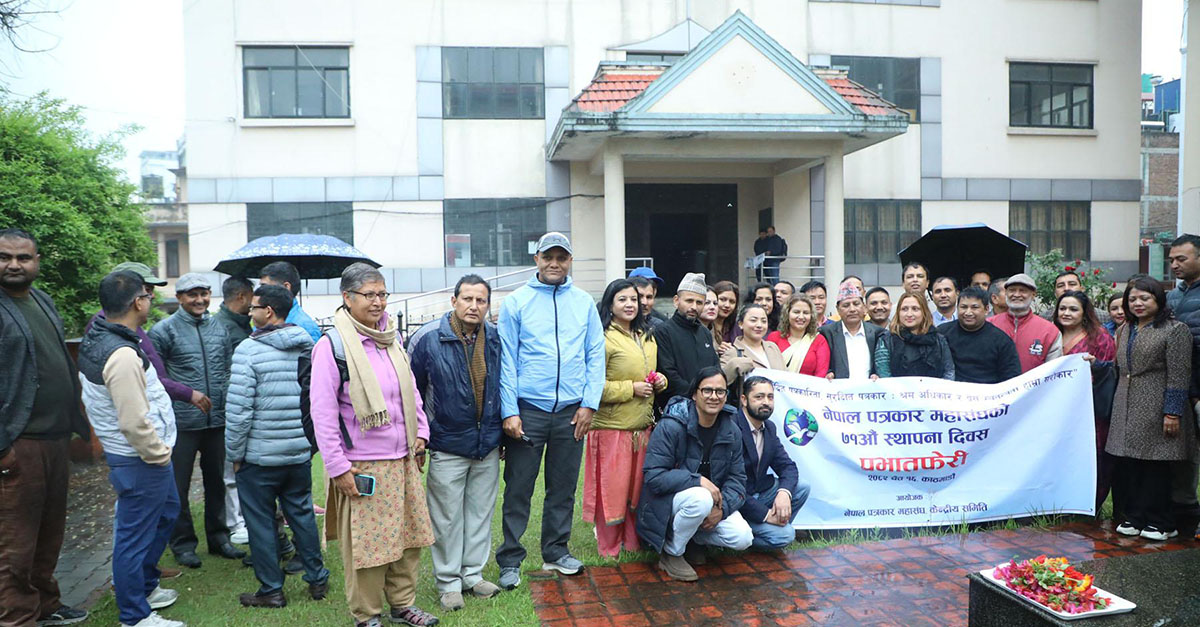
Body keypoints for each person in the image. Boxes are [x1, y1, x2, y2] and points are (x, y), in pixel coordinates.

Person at [309, 263, 438, 627]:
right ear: (347, 298)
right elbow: (322, 413)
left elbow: (410, 392)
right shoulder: (332, 346)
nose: (378, 302)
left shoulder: (391, 339)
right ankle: (367, 615)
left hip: (403, 458)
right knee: (368, 548)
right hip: (363, 465)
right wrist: (338, 468)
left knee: (408, 539)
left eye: (382, 294)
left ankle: (403, 604)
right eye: (369, 295)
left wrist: (421, 433)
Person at [496, 232, 605, 590]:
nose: (554, 263)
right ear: (537, 260)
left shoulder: (583, 302)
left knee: (563, 487)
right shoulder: (517, 302)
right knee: (518, 487)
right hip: (529, 410)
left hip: (572, 412)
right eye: (548, 257)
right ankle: (510, 559)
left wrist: (589, 403)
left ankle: (556, 550)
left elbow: (595, 355)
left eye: (561, 257)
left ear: (570, 261)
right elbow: (506, 360)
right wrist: (509, 410)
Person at [78, 271, 182, 627]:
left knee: (166, 513)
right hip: (140, 458)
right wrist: (158, 454)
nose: (150, 301)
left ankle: (145, 587)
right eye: (148, 296)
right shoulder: (120, 353)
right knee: (134, 536)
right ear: (138, 302)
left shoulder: (104, 335)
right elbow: (134, 422)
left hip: (142, 456)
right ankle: (135, 616)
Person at [0, 229, 91, 627]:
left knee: (49, 532)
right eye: (4, 257)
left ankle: (45, 605)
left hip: (55, 438)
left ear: (37, 261)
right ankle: (17, 617)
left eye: (23, 257)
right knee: (14, 541)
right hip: (18, 441)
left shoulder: (41, 299)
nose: (14, 265)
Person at [225, 284, 329, 609]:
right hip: (298, 452)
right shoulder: (307, 345)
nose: (249, 312)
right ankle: (317, 578)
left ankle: (271, 589)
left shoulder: (248, 350)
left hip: (259, 458)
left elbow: (239, 411)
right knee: (302, 514)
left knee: (260, 522)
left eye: (254, 307)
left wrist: (234, 455)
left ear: (268, 311)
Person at [407, 275, 503, 612]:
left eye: (481, 300)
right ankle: (448, 582)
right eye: (467, 299)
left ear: (488, 304)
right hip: (446, 443)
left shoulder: (495, 337)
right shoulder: (427, 338)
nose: (474, 306)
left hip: (487, 442)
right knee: (446, 518)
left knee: (479, 513)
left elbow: (502, 384)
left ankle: (472, 575)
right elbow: (411, 393)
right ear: (454, 301)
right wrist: (419, 436)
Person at [148, 273, 243, 568]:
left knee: (217, 483)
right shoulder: (162, 331)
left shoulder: (220, 328)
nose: (199, 300)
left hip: (217, 420)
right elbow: (156, 379)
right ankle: (183, 544)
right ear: (179, 298)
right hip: (181, 422)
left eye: (204, 293)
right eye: (192, 294)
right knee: (178, 486)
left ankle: (219, 538)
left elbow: (228, 368)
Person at [637, 368, 751, 582]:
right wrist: (697, 480)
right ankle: (672, 552)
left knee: (742, 537)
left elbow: (738, 480)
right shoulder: (671, 425)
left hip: (708, 505)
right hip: (667, 503)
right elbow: (654, 477)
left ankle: (693, 541)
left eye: (720, 391)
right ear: (694, 394)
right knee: (701, 498)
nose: (714, 396)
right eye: (707, 390)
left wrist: (722, 510)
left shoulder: (731, 430)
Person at [1106, 276, 1195, 541]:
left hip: (1157, 405)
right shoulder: (1125, 329)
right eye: (1132, 299)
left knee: (1156, 466)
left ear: (1158, 299)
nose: (1138, 303)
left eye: (1145, 298)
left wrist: (1172, 412)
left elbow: (1179, 375)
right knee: (1131, 464)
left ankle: (1162, 522)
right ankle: (1135, 516)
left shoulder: (1174, 330)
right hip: (1126, 404)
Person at [583, 279, 666, 558]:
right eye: (623, 299)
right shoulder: (602, 337)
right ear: (610, 304)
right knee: (612, 491)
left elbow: (651, 373)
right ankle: (608, 547)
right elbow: (592, 386)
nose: (630, 304)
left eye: (634, 299)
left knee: (635, 491)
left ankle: (632, 543)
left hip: (641, 428)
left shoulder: (646, 335)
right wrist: (631, 388)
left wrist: (660, 380)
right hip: (612, 428)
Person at [87, 262, 196, 406]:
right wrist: (187, 394)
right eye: (147, 290)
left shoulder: (129, 324)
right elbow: (131, 398)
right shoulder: (106, 325)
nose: (152, 296)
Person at [1054, 289, 1117, 515]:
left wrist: (1095, 367)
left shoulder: (1099, 337)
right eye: (1062, 308)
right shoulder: (1051, 334)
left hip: (1091, 411)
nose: (1066, 313)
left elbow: (1110, 370)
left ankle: (1091, 507)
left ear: (1084, 313)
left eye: (1073, 309)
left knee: (1094, 457)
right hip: (1058, 411)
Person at [736, 377, 808, 550]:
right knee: (786, 535)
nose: (766, 402)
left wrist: (784, 493)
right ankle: (744, 537)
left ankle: (772, 527)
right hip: (736, 501)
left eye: (770, 397)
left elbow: (787, 466)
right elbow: (731, 486)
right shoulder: (732, 427)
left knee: (802, 487)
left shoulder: (769, 428)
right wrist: (766, 515)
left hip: (759, 491)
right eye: (759, 397)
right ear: (744, 400)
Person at [212, 275, 254, 547]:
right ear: (241, 296)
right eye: (252, 296)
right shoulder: (223, 328)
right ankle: (235, 523)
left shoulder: (241, 325)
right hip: (230, 406)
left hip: (240, 404)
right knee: (231, 467)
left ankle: (243, 519)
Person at [1166, 233, 1200, 538]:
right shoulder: (1171, 297)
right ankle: (1186, 519)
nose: (1175, 265)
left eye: (1181, 259)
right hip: (1180, 390)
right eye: (1171, 260)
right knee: (1184, 458)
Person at [653, 273, 721, 413]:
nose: (694, 307)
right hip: (677, 409)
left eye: (699, 303)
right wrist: (697, 396)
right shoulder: (663, 331)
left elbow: (715, 369)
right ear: (676, 301)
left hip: (708, 408)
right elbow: (669, 374)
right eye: (689, 301)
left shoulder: (705, 333)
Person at [937, 287, 1021, 384]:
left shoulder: (1001, 340)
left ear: (986, 309)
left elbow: (1011, 378)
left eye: (975, 307)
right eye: (963, 307)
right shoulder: (942, 333)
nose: (968, 313)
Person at [987, 273, 1062, 374]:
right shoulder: (989, 325)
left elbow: (1054, 371)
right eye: (1012, 290)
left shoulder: (1049, 331)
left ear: (1033, 295)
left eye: (1022, 291)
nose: (1016, 295)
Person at [874, 292, 955, 380]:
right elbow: (884, 376)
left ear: (924, 312)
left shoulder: (938, 339)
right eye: (904, 309)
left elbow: (949, 371)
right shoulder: (885, 340)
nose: (909, 314)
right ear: (898, 313)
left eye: (915, 309)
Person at [819, 281, 884, 380]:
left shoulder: (877, 333)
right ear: (838, 309)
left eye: (856, 304)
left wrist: (877, 375)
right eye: (846, 305)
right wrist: (828, 373)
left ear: (864, 307)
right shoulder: (826, 333)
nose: (852, 309)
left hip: (869, 388)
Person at [720, 305, 785, 397]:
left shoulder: (773, 348)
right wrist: (733, 366)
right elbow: (719, 382)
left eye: (763, 321)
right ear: (740, 324)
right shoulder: (732, 351)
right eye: (753, 320)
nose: (759, 325)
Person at [766, 294, 830, 377]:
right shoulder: (774, 338)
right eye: (796, 312)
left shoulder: (819, 341)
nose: (801, 317)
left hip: (809, 385)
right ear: (787, 313)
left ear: (811, 316)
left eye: (806, 313)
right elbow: (767, 368)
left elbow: (821, 374)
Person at [259, 261, 320, 342]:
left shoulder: (305, 326)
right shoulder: (262, 316)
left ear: (286, 287)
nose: (260, 292)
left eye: (265, 286)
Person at [711, 281, 740, 349]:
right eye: (722, 299)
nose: (727, 305)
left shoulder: (736, 328)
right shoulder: (705, 326)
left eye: (732, 302)